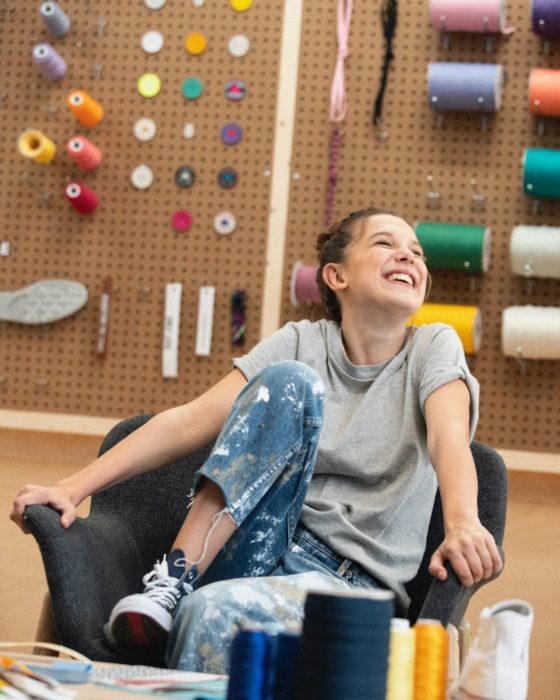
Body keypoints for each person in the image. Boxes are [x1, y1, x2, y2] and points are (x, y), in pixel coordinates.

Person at [11, 206, 503, 673]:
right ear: (336, 276)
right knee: (290, 380)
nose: (409, 256)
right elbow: (186, 422)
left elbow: (449, 440)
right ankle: (174, 580)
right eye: (385, 243)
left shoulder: (433, 346)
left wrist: (461, 522)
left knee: (213, 615)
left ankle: (188, 608)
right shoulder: (301, 342)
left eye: (416, 252)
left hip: (348, 586)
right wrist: (73, 487)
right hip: (257, 550)